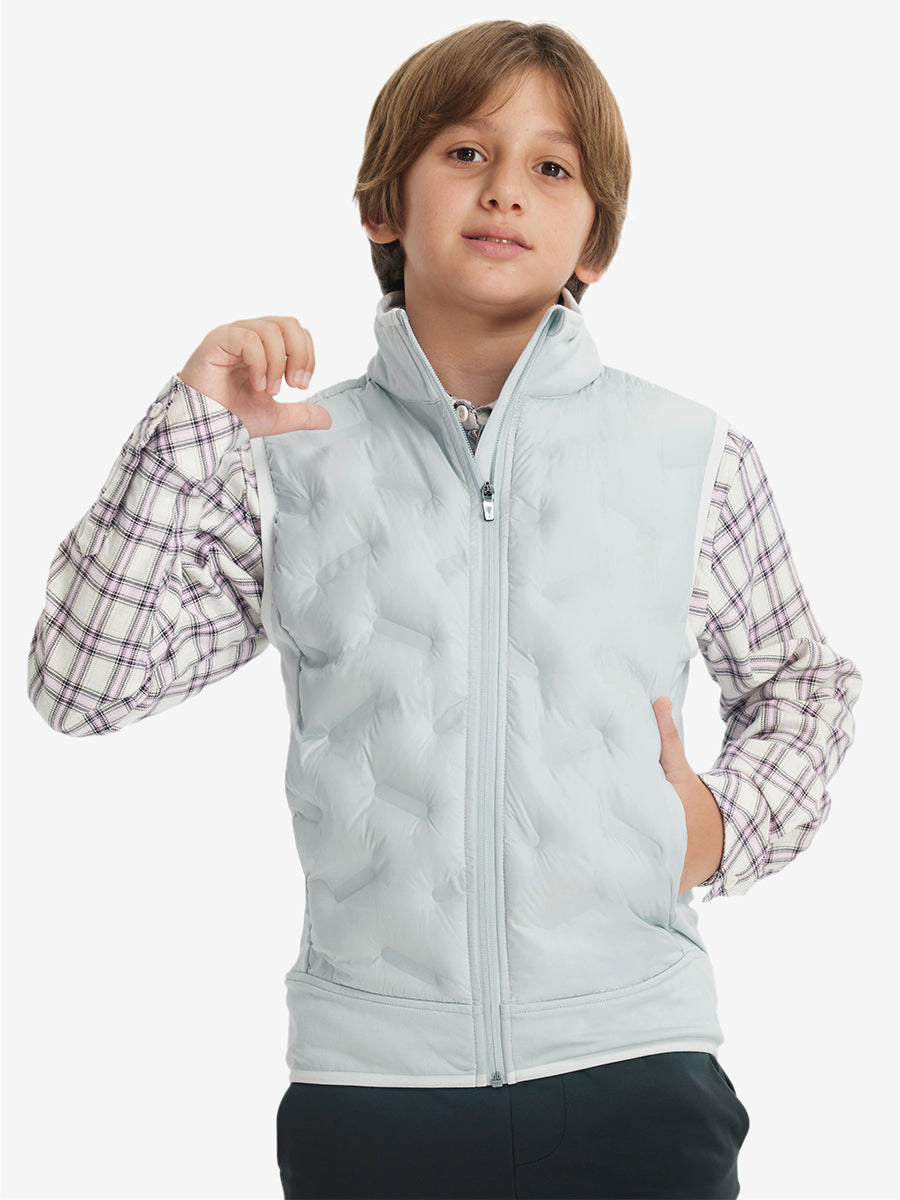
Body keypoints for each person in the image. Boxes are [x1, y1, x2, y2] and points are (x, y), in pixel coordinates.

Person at [26, 18, 862, 1200]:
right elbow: (82, 687)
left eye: (552, 167)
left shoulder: (694, 455)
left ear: (596, 239)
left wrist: (722, 828)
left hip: (636, 1068)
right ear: (385, 204)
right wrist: (186, 432)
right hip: (372, 1090)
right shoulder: (293, 460)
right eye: (466, 152)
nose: (506, 188)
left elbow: (801, 684)